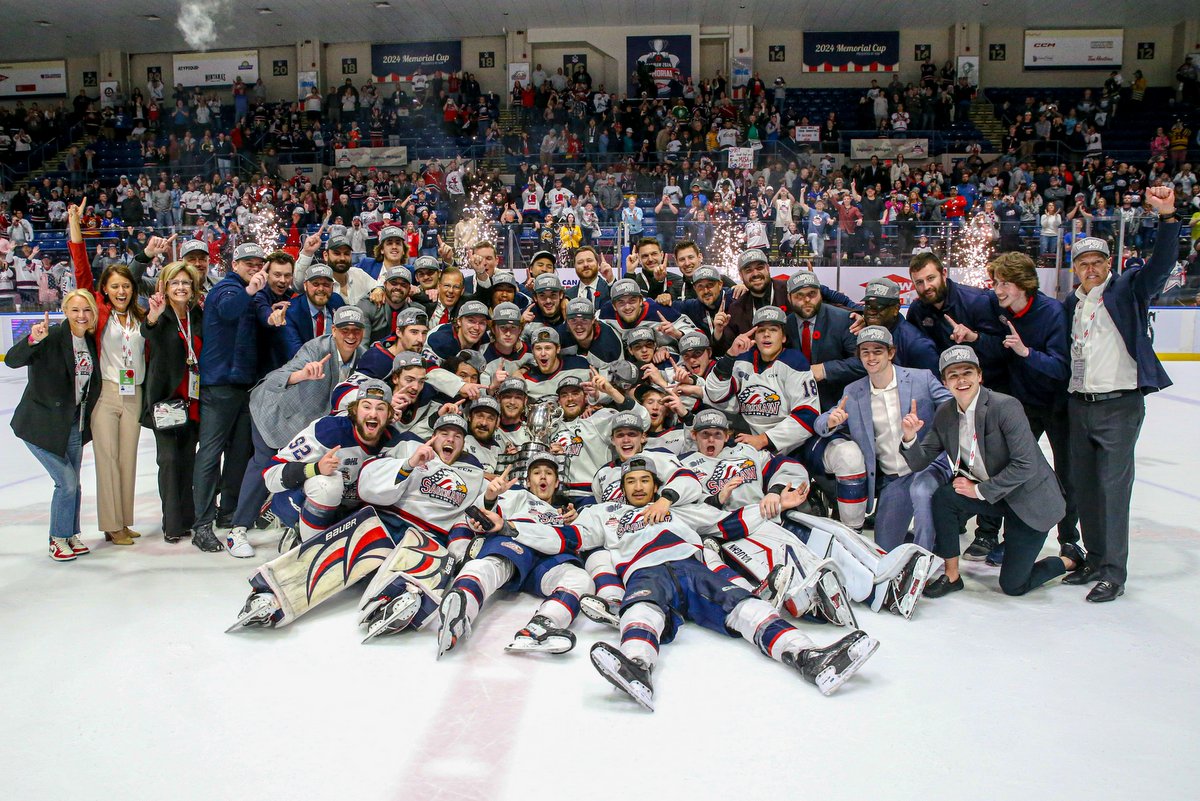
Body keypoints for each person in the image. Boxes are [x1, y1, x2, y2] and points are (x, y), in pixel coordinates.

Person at [467, 457, 879, 710]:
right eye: (631, 482)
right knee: (641, 608)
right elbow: (564, 539)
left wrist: (771, 509)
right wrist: (510, 528)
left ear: (654, 484)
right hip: (645, 572)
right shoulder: (604, 514)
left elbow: (726, 525)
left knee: (744, 606)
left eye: (645, 480)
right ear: (621, 489)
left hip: (690, 564)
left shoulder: (678, 508)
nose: (639, 486)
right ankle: (636, 666)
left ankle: (808, 657)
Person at [1063, 187, 1180, 602]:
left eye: (1097, 262)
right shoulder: (1071, 303)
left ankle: (1114, 571)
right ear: (1075, 268)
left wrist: (1167, 217)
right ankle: (1095, 559)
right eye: (1083, 263)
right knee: (1085, 487)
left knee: (1113, 490)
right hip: (1080, 405)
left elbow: (1163, 264)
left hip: (1119, 405)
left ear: (1108, 264)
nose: (1090, 269)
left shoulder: (1129, 289)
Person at [902, 346, 1082, 599]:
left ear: (980, 376)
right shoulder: (945, 413)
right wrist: (910, 438)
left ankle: (1069, 559)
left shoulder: (1005, 406)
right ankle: (951, 575)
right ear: (945, 382)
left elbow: (1026, 464)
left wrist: (978, 490)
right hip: (995, 497)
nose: (961, 380)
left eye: (967, 372)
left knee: (1013, 585)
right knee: (944, 497)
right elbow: (920, 463)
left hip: (1028, 499)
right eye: (953, 375)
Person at [230, 306, 369, 558]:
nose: (351, 335)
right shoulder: (316, 349)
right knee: (264, 464)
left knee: (317, 469)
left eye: (356, 330)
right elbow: (275, 379)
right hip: (276, 414)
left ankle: (285, 514)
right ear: (333, 330)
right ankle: (237, 529)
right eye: (345, 330)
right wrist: (300, 375)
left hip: (309, 425)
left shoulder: (363, 356)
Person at [437, 451, 594, 656]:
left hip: (548, 560)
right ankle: (459, 613)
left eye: (549, 473)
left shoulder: (565, 511)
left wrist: (575, 517)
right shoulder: (519, 495)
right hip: (516, 545)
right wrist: (491, 497)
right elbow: (487, 514)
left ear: (557, 482)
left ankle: (542, 625)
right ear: (528, 481)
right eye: (537, 473)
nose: (543, 477)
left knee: (581, 579)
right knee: (489, 564)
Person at [815, 326, 952, 551]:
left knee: (922, 496)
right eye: (865, 352)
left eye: (877, 351)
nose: (871, 357)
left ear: (890, 353)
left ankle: (922, 565)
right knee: (884, 547)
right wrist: (831, 421)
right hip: (895, 478)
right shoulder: (853, 391)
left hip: (928, 467)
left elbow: (954, 406)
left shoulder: (921, 378)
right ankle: (928, 545)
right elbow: (821, 423)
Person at [68, 198, 146, 546]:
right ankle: (110, 524)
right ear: (105, 290)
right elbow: (81, 270)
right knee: (107, 459)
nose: (121, 291)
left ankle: (124, 521)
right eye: (114, 286)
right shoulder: (100, 312)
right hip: (107, 394)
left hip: (135, 393)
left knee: (128, 459)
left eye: (125, 286)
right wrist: (75, 226)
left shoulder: (141, 316)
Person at [6, 292, 101, 561]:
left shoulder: (90, 341)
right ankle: (57, 538)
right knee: (67, 482)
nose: (81, 315)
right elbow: (12, 360)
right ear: (64, 311)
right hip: (41, 425)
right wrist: (34, 339)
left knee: (75, 483)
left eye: (86, 310)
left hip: (73, 423)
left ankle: (70, 534)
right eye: (75, 310)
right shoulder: (51, 337)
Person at [191, 242, 269, 552]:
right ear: (234, 264)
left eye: (258, 263)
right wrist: (248, 291)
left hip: (242, 385)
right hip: (220, 385)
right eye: (247, 262)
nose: (254, 267)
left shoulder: (249, 291)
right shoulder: (227, 289)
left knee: (239, 454)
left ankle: (228, 512)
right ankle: (202, 524)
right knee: (210, 455)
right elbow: (227, 309)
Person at [141, 262, 204, 544]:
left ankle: (189, 517)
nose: (180, 287)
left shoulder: (198, 315)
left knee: (188, 461)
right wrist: (152, 317)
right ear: (165, 287)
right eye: (174, 282)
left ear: (192, 288)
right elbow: (148, 332)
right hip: (166, 402)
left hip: (193, 401)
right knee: (168, 460)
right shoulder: (160, 316)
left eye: (185, 283)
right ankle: (172, 522)